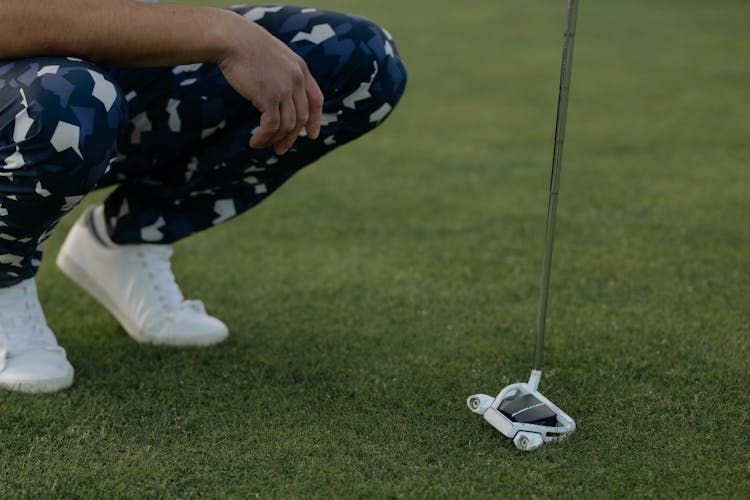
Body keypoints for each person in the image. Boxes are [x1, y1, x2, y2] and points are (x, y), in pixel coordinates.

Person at [0, 0, 407, 393]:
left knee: (359, 59)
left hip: (98, 69)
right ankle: (5, 276)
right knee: (71, 100)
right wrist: (225, 34)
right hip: (40, 91)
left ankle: (128, 236)